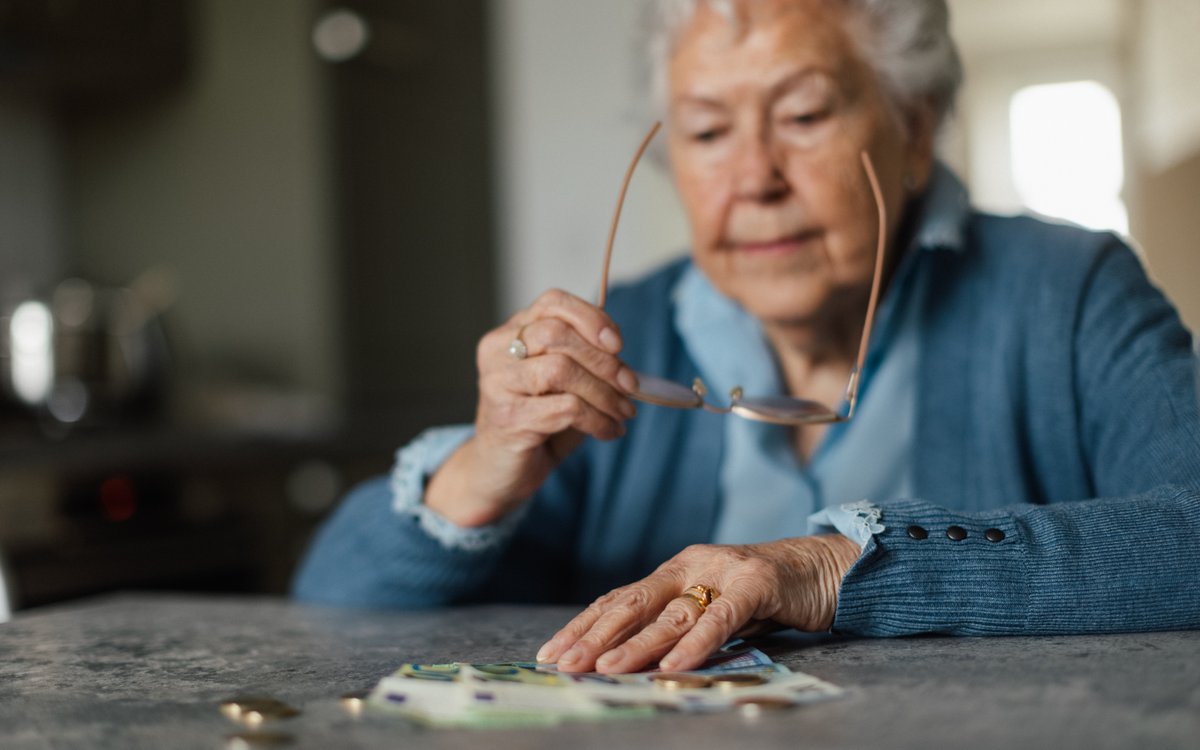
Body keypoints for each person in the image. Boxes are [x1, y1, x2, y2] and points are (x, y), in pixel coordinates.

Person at [293, 0, 1200, 674]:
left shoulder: (1066, 293)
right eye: (708, 130)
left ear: (913, 132)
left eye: (803, 116)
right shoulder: (621, 336)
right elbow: (328, 613)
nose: (755, 177)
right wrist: (481, 472)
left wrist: (832, 568)